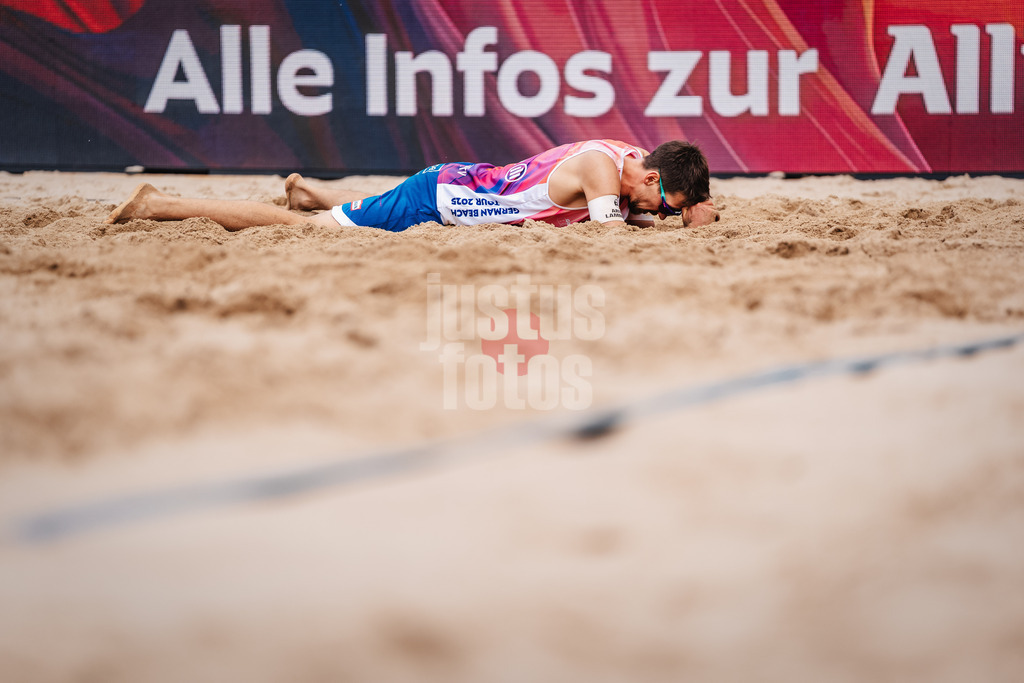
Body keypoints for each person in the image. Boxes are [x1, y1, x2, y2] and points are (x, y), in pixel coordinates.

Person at [105, 139, 719, 232]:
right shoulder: (598, 171)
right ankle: (160, 203)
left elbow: (626, 213)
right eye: (667, 204)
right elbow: (611, 236)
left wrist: (691, 207)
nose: (660, 215)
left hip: (459, 183)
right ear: (653, 177)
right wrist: (690, 228)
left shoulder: (624, 155)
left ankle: (307, 188)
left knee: (345, 208)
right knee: (312, 234)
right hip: (442, 202)